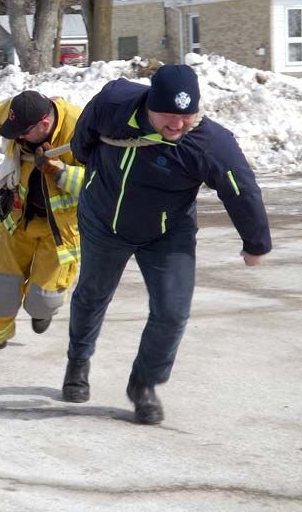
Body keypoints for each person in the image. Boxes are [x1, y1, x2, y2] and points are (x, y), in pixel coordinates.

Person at [61, 64, 271, 425]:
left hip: (166, 233)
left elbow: (240, 189)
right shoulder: (114, 103)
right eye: (169, 117)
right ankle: (78, 360)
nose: (178, 125)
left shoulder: (210, 143)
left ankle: (144, 383)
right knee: (92, 294)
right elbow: (83, 140)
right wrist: (93, 170)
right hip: (102, 220)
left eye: (187, 117)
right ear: (148, 106)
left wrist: (255, 242)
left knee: (173, 312)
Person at [0, 91, 85, 355]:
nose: (17, 137)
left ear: (44, 124)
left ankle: (42, 310)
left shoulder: (80, 130)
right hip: (17, 219)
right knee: (2, 287)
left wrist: (59, 172)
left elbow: (100, 183)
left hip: (59, 231)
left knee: (43, 299)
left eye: (23, 132)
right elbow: (0, 116)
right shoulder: (17, 110)